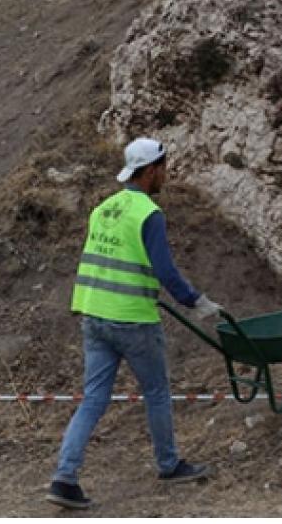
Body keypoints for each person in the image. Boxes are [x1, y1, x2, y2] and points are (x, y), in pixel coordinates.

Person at [47, 137, 221, 510]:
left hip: (94, 314)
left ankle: (65, 476)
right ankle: (169, 464)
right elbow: (165, 271)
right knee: (157, 392)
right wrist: (196, 301)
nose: (166, 175)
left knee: (93, 398)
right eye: (164, 169)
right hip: (132, 319)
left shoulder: (103, 208)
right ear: (152, 170)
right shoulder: (148, 213)